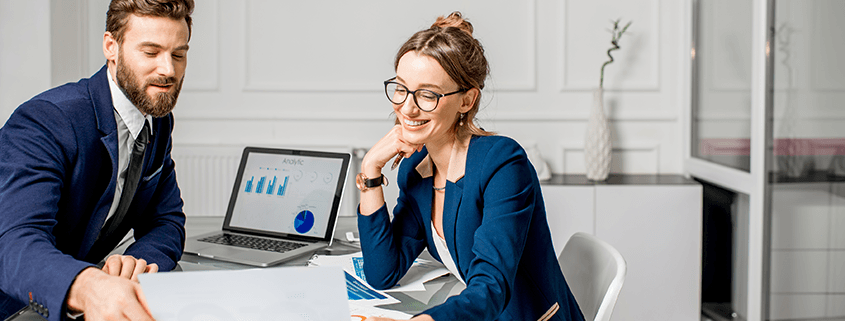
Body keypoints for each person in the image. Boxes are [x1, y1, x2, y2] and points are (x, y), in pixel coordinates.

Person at [357, 12, 586, 321]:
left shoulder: (503, 163)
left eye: (427, 94)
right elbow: (383, 272)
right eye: (401, 88)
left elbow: (491, 288)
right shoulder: (417, 169)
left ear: (466, 101)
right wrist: (371, 169)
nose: (407, 107)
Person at [0, 0, 194, 320]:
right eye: (150, 52)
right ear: (111, 47)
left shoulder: (157, 120)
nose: (168, 70)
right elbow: (13, 243)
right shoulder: (47, 120)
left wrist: (137, 263)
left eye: (178, 54)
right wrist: (91, 286)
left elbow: (166, 220)